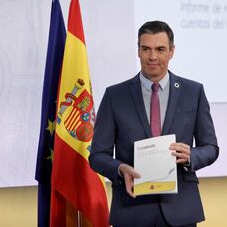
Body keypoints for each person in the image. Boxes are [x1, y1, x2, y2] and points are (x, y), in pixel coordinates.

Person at [89, 20, 219, 227]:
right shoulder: (115, 95)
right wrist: (121, 168)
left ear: (171, 51)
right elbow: (97, 155)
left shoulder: (193, 92)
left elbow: (211, 148)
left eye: (160, 49)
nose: (152, 57)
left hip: (181, 210)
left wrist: (191, 156)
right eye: (146, 49)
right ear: (138, 50)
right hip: (132, 209)